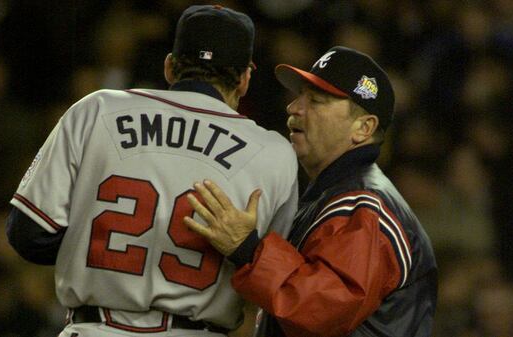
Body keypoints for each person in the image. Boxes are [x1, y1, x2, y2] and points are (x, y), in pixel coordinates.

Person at [5, 5, 299, 337]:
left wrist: (98, 246)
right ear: (245, 79)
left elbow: (28, 235)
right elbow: (274, 284)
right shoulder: (275, 153)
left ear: (170, 66)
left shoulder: (95, 110)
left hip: (95, 328)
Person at [185, 46, 438, 337]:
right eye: (299, 96)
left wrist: (248, 250)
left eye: (316, 100)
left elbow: (323, 311)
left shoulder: (364, 207)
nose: (294, 108)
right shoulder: (335, 194)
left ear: (363, 128)